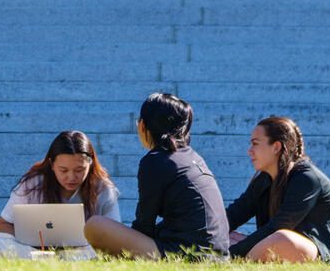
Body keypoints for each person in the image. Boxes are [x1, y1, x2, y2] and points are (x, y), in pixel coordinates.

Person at [85, 93, 229, 260]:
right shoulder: (193, 157)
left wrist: (116, 245)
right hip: (217, 254)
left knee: (94, 226)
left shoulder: (155, 161)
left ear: (143, 125)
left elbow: (144, 224)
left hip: (186, 256)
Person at [224, 116, 330, 262]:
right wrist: (204, 236)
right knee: (227, 235)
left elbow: (278, 226)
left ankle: (231, 258)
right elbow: (234, 214)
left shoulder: (306, 179)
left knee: (282, 238)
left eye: (255, 144)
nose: (250, 151)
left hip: (328, 252)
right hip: (280, 243)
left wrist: (229, 253)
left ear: (276, 147)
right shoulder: (264, 179)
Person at [0, 130, 119, 259]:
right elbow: (3, 225)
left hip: (81, 251)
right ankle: (47, 259)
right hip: (33, 250)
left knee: (102, 250)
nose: (71, 177)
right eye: (63, 170)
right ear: (52, 164)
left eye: (79, 170)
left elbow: (114, 236)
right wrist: (30, 243)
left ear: (90, 163)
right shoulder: (32, 184)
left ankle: (60, 259)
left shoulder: (103, 189)